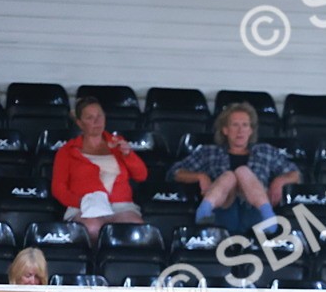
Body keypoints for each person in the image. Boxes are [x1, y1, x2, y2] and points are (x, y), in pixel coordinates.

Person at [168, 102, 301, 233]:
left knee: (242, 172)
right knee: (229, 176)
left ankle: (268, 216)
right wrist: (200, 176)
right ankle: (204, 213)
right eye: (235, 125)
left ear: (250, 130)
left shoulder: (265, 151)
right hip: (223, 211)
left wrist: (280, 181)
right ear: (225, 130)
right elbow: (174, 172)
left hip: (254, 211)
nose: (240, 130)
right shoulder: (209, 152)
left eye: (245, 125)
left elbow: (295, 174)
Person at [51, 97, 147, 243]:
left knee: (135, 228)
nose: (97, 122)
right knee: (92, 228)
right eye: (90, 118)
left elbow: (141, 176)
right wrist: (84, 202)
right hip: (85, 208)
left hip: (121, 206)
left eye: (99, 116)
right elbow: (58, 189)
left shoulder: (117, 144)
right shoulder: (67, 151)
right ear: (79, 123)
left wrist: (128, 155)